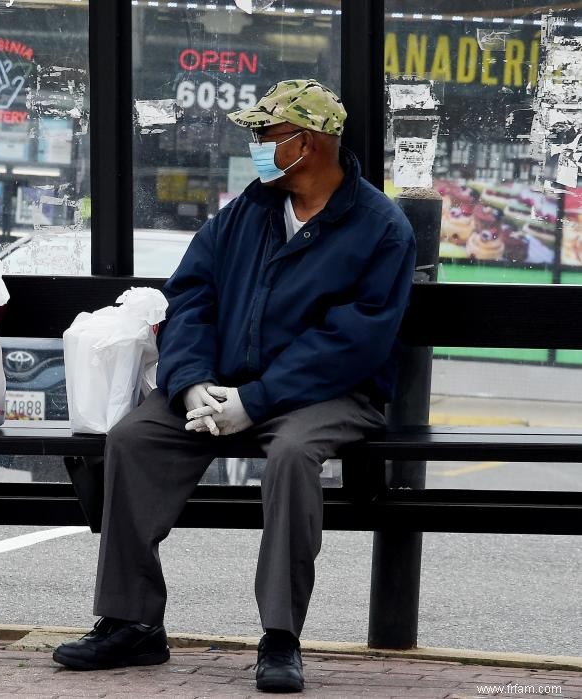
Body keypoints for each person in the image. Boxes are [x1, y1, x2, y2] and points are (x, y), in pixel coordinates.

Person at [53, 79, 416, 693]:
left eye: (266, 135)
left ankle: (280, 636)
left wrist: (256, 400)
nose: (256, 147)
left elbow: (354, 341)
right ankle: (132, 622)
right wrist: (192, 383)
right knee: (135, 438)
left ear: (310, 142)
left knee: (293, 456)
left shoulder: (380, 227)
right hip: (222, 385)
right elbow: (191, 295)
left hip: (331, 395)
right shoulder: (246, 210)